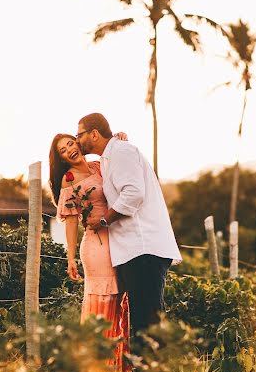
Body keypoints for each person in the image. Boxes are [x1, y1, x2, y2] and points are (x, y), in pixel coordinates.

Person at [76, 113, 182, 354]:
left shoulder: (122, 152)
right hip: (133, 249)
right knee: (142, 318)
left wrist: (104, 220)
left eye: (79, 134)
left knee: (148, 320)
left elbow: (134, 193)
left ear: (94, 134)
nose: (77, 139)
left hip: (143, 246)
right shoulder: (111, 156)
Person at [48, 132, 129, 372]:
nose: (70, 149)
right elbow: (71, 222)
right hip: (96, 245)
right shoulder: (68, 180)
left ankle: (118, 370)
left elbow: (118, 169)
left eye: (71, 143)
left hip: (117, 240)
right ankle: (98, 371)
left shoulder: (98, 165)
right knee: (102, 304)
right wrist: (70, 258)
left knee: (119, 301)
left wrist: (118, 141)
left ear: (79, 142)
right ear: (61, 158)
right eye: (63, 150)